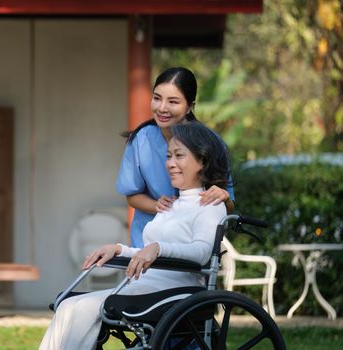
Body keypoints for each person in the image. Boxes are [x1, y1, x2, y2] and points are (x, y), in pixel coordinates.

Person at [39, 122, 230, 349]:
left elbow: (200, 253)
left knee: (79, 309)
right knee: (67, 305)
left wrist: (158, 247)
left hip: (174, 292)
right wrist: (120, 249)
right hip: (145, 286)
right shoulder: (172, 205)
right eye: (169, 156)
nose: (170, 164)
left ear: (203, 161)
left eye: (179, 156)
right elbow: (149, 254)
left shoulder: (211, 205)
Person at [116, 67, 234, 248]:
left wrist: (224, 197)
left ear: (190, 107)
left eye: (173, 101)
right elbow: (132, 196)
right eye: (157, 98)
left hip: (190, 248)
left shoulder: (211, 143)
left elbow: (228, 206)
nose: (162, 108)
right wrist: (157, 205)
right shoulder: (141, 139)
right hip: (146, 243)